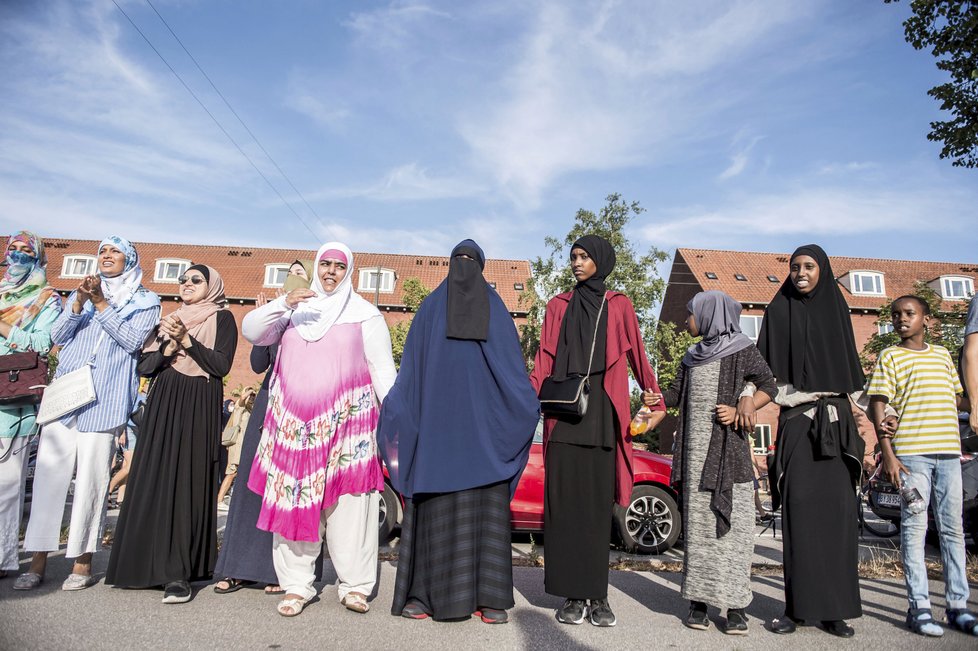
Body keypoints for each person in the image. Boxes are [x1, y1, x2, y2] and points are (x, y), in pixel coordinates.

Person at [378, 239, 539, 624]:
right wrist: (397, 409)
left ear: (481, 268)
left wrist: (527, 407)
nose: (463, 268)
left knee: (484, 513)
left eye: (470, 261)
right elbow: (410, 374)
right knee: (436, 511)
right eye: (458, 261)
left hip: (483, 438)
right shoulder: (431, 309)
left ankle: (491, 598)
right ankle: (422, 596)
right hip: (437, 435)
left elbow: (514, 375)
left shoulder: (496, 311)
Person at [242, 242, 397, 617]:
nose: (330, 271)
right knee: (295, 502)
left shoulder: (366, 314)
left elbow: (382, 371)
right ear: (316, 266)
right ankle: (296, 585)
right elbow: (251, 331)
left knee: (350, 509)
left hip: (349, 428)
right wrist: (283, 302)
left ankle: (355, 586)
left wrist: (396, 420)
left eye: (339, 266)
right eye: (324, 264)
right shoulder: (294, 312)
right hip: (294, 431)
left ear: (349, 272)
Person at [529, 235, 665, 627]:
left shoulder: (617, 304)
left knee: (595, 511)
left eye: (585, 257)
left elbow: (637, 351)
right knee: (566, 510)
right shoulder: (558, 305)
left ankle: (599, 596)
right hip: (563, 416)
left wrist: (653, 393)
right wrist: (525, 399)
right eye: (573, 257)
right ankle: (572, 595)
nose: (576, 262)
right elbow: (545, 356)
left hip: (603, 416)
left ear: (601, 261)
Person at [17, 236, 160, 591]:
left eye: (115, 252)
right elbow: (58, 335)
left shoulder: (146, 300)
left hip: (105, 398)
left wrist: (102, 304)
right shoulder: (78, 293)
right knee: (50, 478)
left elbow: (132, 341)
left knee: (92, 482)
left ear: (129, 259)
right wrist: (79, 301)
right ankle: (37, 558)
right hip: (65, 397)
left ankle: (82, 561)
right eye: (102, 252)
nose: (106, 256)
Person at [749, 244, 865, 638]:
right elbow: (765, 375)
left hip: (836, 423)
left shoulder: (838, 308)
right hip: (797, 421)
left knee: (837, 517)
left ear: (823, 270)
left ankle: (835, 610)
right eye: (795, 266)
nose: (801, 272)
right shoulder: (777, 310)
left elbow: (852, 374)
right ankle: (796, 610)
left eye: (809, 266)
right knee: (799, 515)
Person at [105, 264, 237, 604]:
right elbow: (144, 367)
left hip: (198, 403)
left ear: (211, 286)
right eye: (183, 280)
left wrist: (186, 341)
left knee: (187, 482)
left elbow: (220, 365)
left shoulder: (222, 318)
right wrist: (167, 346)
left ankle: (178, 573)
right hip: (164, 401)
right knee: (154, 478)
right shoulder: (168, 318)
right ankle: (142, 565)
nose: (187, 284)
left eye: (196, 280)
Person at [656, 290, 776, 635]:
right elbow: (675, 395)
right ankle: (698, 602)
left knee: (734, 533)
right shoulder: (691, 355)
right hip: (694, 456)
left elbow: (768, 386)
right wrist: (654, 397)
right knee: (699, 533)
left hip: (729, 455)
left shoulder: (742, 349)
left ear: (710, 315)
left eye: (691, 314)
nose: (686, 321)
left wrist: (744, 406)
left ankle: (736, 605)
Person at [867, 295, 976, 637]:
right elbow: (878, 408)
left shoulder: (943, 356)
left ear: (926, 320)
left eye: (909, 313)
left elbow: (958, 397)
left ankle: (958, 606)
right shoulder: (891, 356)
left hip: (948, 455)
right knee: (914, 530)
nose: (901, 319)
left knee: (952, 530)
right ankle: (920, 608)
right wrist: (888, 454)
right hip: (912, 457)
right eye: (896, 314)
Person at [0, 232, 62, 580]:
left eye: (27, 251)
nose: (19, 255)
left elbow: (42, 342)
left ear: (38, 258)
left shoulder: (46, 298)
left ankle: (3, 556)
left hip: (13, 395)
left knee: (7, 485)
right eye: (14, 249)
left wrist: (5, 326)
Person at [108, 377, 149, 509]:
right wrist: (122, 430)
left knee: (126, 465)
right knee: (131, 465)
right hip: (128, 428)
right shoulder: (132, 385)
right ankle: (108, 490)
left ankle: (121, 497)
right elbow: (124, 407)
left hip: (136, 427)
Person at [218, 386, 256, 510]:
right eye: (250, 396)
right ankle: (219, 499)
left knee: (239, 473)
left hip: (243, 446)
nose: (251, 398)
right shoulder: (240, 408)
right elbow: (242, 398)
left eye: (253, 397)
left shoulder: (250, 410)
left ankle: (232, 499)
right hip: (237, 445)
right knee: (232, 472)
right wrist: (251, 391)